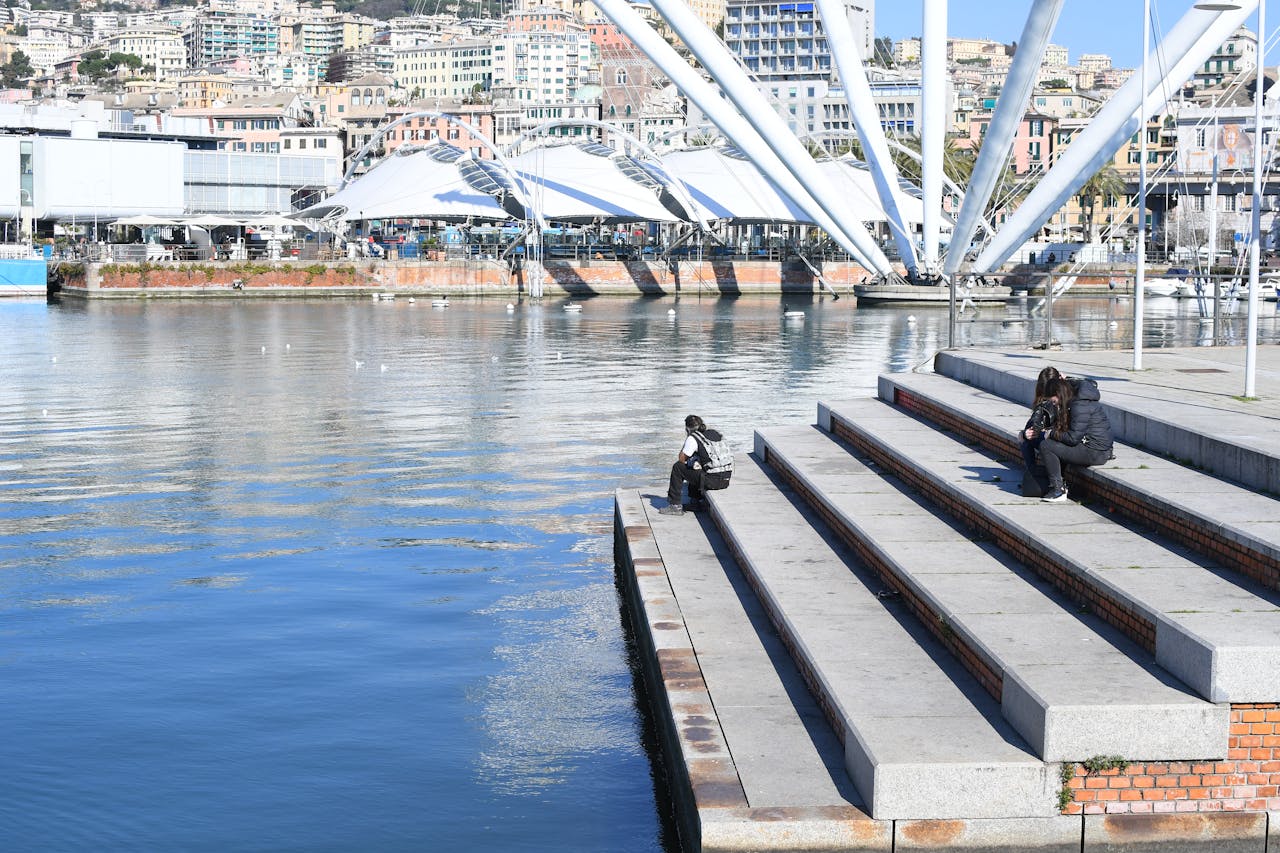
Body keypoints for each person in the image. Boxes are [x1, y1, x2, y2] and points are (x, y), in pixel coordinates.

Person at [1034, 375, 1115, 503]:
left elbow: (1073, 438)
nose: (1055, 404)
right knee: (1053, 443)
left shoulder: (1079, 404)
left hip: (1094, 451)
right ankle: (1060, 484)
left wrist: (1051, 433)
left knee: (1046, 446)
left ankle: (1057, 490)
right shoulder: (1077, 398)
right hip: (1096, 448)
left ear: (1058, 393)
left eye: (1054, 401)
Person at [660, 414, 730, 516]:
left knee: (678, 467)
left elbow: (681, 459)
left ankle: (675, 505)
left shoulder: (693, 438)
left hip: (712, 481)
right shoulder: (715, 433)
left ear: (687, 429)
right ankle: (695, 502)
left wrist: (688, 439)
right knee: (695, 464)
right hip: (725, 479)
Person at [1020, 366, 1062, 485]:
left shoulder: (1065, 395)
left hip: (1062, 437)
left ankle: (1035, 476)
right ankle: (1033, 474)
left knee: (1029, 439)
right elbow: (1033, 421)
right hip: (1051, 434)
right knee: (1024, 437)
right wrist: (1028, 432)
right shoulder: (1043, 400)